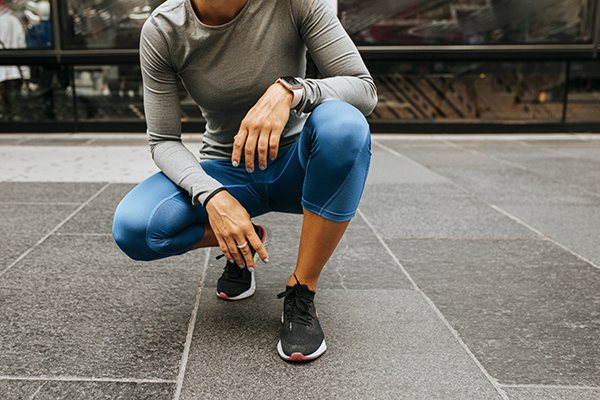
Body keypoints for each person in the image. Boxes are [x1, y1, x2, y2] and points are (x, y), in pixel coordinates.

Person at [112, 0, 377, 362]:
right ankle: (242, 241)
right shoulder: (163, 30)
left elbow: (364, 90)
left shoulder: (294, 4)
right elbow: (163, 141)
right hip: (226, 171)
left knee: (344, 125)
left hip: (297, 165)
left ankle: (302, 289)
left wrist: (292, 92)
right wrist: (213, 197)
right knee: (135, 230)